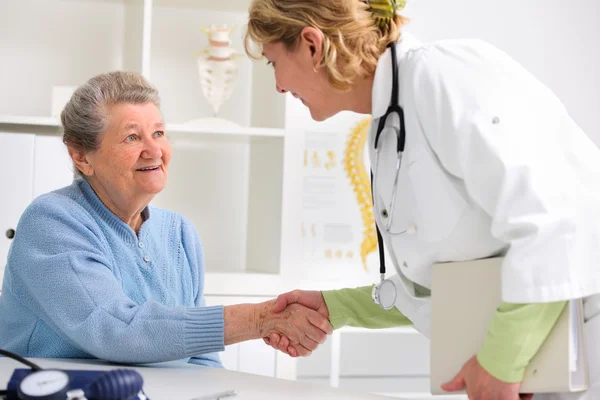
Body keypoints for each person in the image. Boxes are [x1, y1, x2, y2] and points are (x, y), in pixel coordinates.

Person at [243, 0, 600, 399]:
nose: (277, 86)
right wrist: (336, 306)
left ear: (312, 44)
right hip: (542, 368)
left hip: (584, 349)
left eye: (273, 63)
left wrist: (501, 362)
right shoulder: (389, 124)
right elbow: (438, 282)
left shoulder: (441, 76)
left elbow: (553, 220)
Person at [0, 71, 332, 366]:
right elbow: (117, 330)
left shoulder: (179, 233)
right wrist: (260, 319)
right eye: (132, 137)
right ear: (81, 156)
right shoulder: (53, 222)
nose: (154, 150)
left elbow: (202, 360)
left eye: (158, 133)